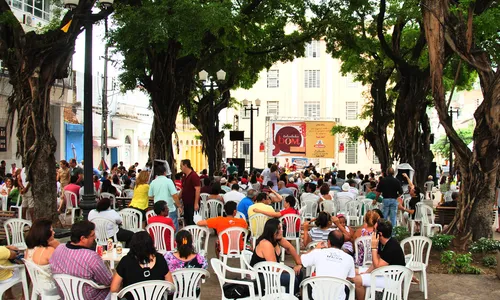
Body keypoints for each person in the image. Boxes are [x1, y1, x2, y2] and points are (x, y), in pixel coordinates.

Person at [50, 221, 112, 300]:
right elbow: (107, 281)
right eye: (92, 235)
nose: (95, 237)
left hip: (66, 295)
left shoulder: (59, 249)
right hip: (90, 297)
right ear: (82, 238)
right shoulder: (91, 257)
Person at [110, 231, 173, 300]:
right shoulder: (160, 259)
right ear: (151, 244)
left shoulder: (126, 261)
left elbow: (114, 288)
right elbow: (170, 285)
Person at [353, 219, 406, 300]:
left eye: (374, 230)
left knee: (357, 280)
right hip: (383, 273)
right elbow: (375, 262)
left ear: (380, 234)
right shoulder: (382, 243)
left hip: (392, 278)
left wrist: (373, 247)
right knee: (353, 272)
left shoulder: (391, 247)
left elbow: (378, 267)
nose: (372, 232)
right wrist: (366, 272)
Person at [249, 218, 303, 295]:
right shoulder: (266, 243)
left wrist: (298, 264)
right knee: (291, 278)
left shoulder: (277, 239)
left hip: (271, 273)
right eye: (279, 229)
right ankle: (288, 297)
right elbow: (274, 268)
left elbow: (290, 248)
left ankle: (294, 295)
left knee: (299, 272)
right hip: (261, 276)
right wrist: (292, 270)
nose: (282, 230)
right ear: (273, 231)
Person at [301, 230, 355, 300]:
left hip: (317, 297)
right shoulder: (349, 258)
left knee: (306, 281)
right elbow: (350, 278)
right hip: (339, 297)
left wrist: (315, 248)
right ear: (342, 243)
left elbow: (301, 260)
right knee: (348, 287)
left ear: (328, 242)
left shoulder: (318, 252)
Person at [164, 231, 208, 296]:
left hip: (174, 294)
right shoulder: (200, 258)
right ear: (192, 243)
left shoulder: (168, 257)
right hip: (193, 293)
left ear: (175, 243)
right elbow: (204, 275)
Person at [25, 219, 60, 297]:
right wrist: (58, 246)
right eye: (52, 230)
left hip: (37, 284)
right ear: (45, 233)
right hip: (51, 287)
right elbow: (64, 266)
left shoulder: (29, 249)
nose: (54, 232)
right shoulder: (49, 250)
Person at [149, 164, 181, 230]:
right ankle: (173, 240)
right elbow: (174, 195)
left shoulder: (153, 182)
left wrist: (157, 198)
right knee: (173, 228)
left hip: (158, 209)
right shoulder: (168, 181)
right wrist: (179, 206)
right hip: (169, 209)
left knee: (160, 228)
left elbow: (150, 196)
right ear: (165, 172)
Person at [180, 159, 201, 226]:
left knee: (192, 221)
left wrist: (196, 203)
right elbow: (183, 189)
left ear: (185, 165)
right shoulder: (184, 176)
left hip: (192, 203)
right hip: (186, 203)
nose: (180, 168)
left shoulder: (193, 176)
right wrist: (178, 198)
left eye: (181, 166)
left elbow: (197, 189)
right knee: (187, 220)